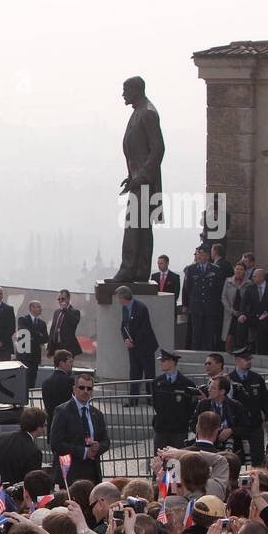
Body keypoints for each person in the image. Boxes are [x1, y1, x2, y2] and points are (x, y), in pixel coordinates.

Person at [113, 75, 164, 282]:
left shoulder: (148, 113)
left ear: (137, 90)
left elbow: (158, 149)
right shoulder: (138, 112)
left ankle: (129, 269)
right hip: (138, 179)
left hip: (144, 182)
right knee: (139, 227)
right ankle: (139, 270)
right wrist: (131, 175)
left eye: (126, 90)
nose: (123, 94)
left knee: (135, 226)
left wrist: (141, 176)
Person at [50, 373, 109, 485]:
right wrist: (84, 452)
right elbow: (56, 443)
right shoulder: (62, 411)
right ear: (74, 389)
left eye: (89, 388)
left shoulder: (97, 414)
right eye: (82, 388)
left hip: (92, 472)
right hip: (71, 472)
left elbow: (106, 440)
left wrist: (98, 447)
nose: (85, 391)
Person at [228, 349, 268, 465]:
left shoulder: (256, 378)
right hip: (238, 426)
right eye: (245, 360)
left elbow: (266, 400)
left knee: (258, 457)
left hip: (255, 424)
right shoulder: (230, 379)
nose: (248, 362)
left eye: (249, 359)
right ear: (237, 360)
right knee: (237, 458)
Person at [0, 408, 46, 486]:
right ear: (39, 428)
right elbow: (31, 483)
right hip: (15, 494)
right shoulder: (34, 452)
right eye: (44, 425)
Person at [195, 376, 253, 459]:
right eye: (209, 387)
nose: (209, 390)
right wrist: (205, 432)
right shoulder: (204, 405)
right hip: (207, 446)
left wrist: (231, 430)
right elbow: (193, 423)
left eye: (213, 388)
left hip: (232, 447)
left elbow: (246, 427)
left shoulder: (236, 406)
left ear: (222, 391)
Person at [115, 286, 157, 401]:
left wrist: (135, 342)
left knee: (149, 374)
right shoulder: (124, 308)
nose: (118, 300)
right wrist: (126, 340)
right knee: (134, 373)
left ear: (124, 297)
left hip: (145, 346)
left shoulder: (141, 308)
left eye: (119, 297)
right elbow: (123, 326)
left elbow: (144, 329)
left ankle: (151, 399)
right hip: (132, 347)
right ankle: (133, 400)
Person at [151, 350, 197, 450]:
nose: (160, 363)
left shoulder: (186, 383)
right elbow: (155, 403)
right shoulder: (157, 382)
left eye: (163, 361)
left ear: (172, 362)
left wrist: (183, 420)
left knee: (178, 459)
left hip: (179, 429)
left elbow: (191, 406)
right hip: (161, 428)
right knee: (159, 459)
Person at [185, 246, 223, 350]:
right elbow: (187, 288)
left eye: (201, 254)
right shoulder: (191, 269)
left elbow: (218, 289)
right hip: (196, 307)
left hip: (210, 307)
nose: (199, 256)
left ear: (207, 255)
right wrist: (187, 304)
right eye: (198, 254)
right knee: (196, 333)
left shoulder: (215, 269)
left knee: (209, 334)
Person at [41, 350, 75, 434]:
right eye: (70, 362)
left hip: (51, 425)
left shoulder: (45, 382)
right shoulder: (69, 381)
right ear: (62, 363)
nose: (72, 365)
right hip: (66, 425)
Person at [16, 300, 48, 390]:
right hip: (24, 355)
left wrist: (33, 336)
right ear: (31, 308)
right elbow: (24, 332)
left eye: (40, 307)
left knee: (31, 380)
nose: (40, 309)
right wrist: (38, 335)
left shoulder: (42, 323)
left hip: (35, 356)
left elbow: (45, 338)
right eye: (38, 307)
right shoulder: (23, 319)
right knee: (22, 379)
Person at [47, 290, 82, 358]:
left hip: (68, 347)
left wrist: (65, 310)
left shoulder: (75, 312)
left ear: (68, 299)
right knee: (57, 366)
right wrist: (49, 347)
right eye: (59, 299)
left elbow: (74, 322)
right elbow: (53, 329)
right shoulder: (57, 312)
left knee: (66, 366)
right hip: (56, 346)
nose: (60, 301)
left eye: (63, 299)